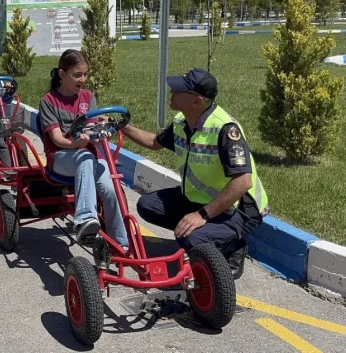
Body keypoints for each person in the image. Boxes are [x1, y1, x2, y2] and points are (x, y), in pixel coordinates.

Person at [120, 68, 267, 279]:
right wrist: (122, 127)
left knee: (191, 238)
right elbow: (155, 142)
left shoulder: (225, 129)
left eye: (178, 90)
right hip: (202, 199)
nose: (172, 91)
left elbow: (243, 182)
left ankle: (232, 245)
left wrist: (201, 216)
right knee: (147, 206)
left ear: (197, 101)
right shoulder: (182, 121)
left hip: (240, 208)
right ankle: (205, 235)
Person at [38, 49, 128, 247]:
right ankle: (84, 219)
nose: (83, 79)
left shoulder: (88, 97)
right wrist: (76, 144)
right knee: (85, 158)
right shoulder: (48, 101)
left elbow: (91, 130)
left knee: (112, 190)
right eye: (77, 75)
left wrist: (100, 134)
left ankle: (121, 244)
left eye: (85, 74)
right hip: (61, 156)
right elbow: (57, 139)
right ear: (62, 74)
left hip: (88, 155)